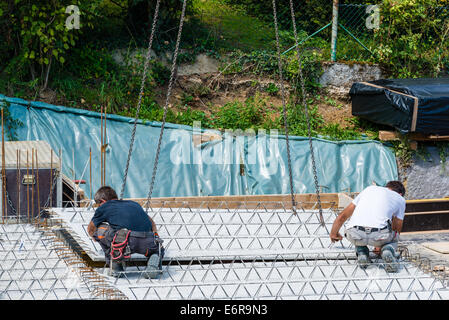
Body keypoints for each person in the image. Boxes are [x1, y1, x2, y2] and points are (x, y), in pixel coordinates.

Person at [87, 186, 165, 278]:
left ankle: (116, 263)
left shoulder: (104, 207)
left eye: (98, 204)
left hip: (125, 242)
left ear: (102, 201)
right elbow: (151, 222)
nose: (98, 206)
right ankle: (154, 258)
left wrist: (95, 237)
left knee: (99, 230)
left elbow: (91, 229)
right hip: (148, 242)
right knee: (157, 249)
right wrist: (155, 236)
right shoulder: (134, 204)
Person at [329, 181, 406, 272]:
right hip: (379, 235)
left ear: (387, 187)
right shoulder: (400, 199)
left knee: (357, 228)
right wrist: (381, 244)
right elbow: (397, 226)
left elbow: (342, 216)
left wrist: (333, 233)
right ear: (400, 194)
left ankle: (362, 253)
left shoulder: (368, 189)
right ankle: (387, 250)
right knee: (394, 235)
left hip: (355, 234)